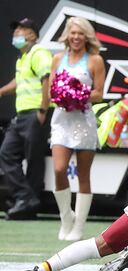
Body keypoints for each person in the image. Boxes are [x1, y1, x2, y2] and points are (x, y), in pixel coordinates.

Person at [49, 17, 106, 241]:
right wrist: (62, 97)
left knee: (83, 175)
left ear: (86, 36)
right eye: (73, 33)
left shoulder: (95, 60)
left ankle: (79, 226)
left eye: (80, 33)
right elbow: (52, 91)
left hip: (84, 121)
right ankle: (66, 218)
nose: (76, 37)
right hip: (62, 120)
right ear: (67, 35)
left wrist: (79, 96)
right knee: (59, 169)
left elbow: (99, 93)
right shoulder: (57, 59)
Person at [0, 18, 51, 220]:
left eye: (21, 29)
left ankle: (28, 203)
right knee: (6, 153)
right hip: (22, 116)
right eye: (16, 30)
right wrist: (2, 91)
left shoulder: (39, 53)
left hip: (35, 113)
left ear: (32, 34)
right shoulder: (23, 58)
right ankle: (26, 198)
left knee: (34, 159)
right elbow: (19, 81)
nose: (16, 33)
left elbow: (47, 78)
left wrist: (43, 110)